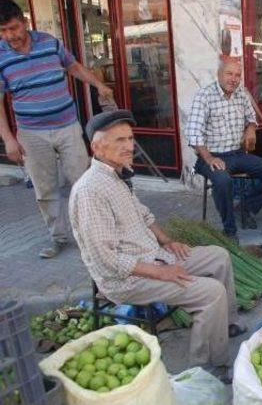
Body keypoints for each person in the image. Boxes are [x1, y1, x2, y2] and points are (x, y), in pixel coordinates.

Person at [68, 110, 245, 380]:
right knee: (210, 293)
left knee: (219, 256)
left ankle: (225, 324)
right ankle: (206, 368)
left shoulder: (118, 175)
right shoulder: (90, 190)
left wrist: (169, 241)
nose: (129, 146)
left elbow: (144, 215)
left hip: (153, 256)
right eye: (119, 140)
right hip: (125, 279)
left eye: (130, 138)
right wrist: (162, 272)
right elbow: (107, 260)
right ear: (96, 147)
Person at [0, 0, 113, 259]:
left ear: (25, 22)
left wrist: (98, 84)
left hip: (67, 126)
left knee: (83, 181)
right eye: (3, 31)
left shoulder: (50, 43)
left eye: (14, 28)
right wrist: (8, 139)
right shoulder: (1, 56)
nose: (10, 35)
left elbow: (72, 66)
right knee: (45, 189)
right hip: (31, 133)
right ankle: (58, 238)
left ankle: (93, 234)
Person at [187, 61, 262, 242]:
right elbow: (193, 133)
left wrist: (251, 128)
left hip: (237, 154)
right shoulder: (205, 96)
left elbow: (251, 118)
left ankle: (246, 208)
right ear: (219, 74)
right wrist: (208, 157)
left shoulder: (241, 94)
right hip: (211, 156)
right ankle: (229, 230)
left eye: (237, 75)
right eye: (229, 74)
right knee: (222, 180)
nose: (234, 79)